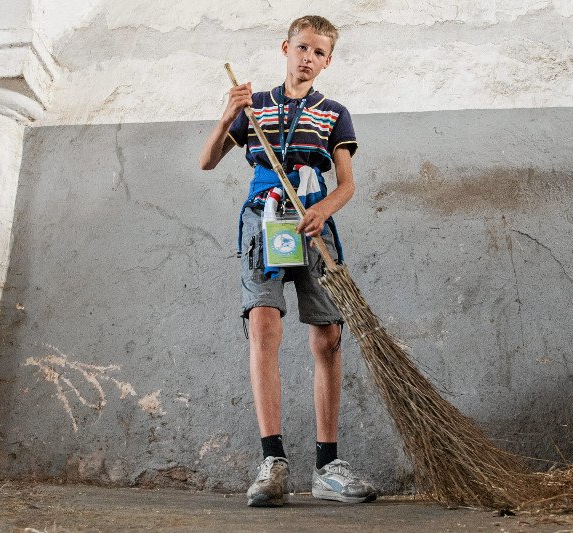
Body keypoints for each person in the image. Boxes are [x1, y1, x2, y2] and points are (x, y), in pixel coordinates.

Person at [198, 15, 377, 507]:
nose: (308, 58)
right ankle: (272, 461)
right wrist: (226, 115)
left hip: (312, 225)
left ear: (327, 61)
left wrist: (322, 210)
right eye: (302, 47)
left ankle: (327, 465)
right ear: (285, 47)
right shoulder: (253, 107)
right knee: (263, 328)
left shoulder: (334, 113)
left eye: (319, 53)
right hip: (263, 223)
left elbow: (347, 184)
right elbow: (207, 161)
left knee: (328, 336)